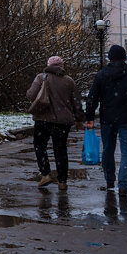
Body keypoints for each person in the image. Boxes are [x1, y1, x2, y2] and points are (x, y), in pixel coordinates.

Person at [85, 45, 127, 196]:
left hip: (107, 119)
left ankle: (110, 180)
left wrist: (89, 117)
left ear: (110, 58)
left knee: (108, 150)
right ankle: (123, 185)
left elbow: (92, 98)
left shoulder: (101, 75)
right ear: (124, 58)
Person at [25, 55, 84, 191]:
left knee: (40, 146)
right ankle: (62, 181)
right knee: (61, 150)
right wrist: (79, 119)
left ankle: (46, 174)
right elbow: (76, 102)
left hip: (42, 119)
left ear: (48, 65)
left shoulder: (41, 78)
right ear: (62, 66)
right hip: (63, 122)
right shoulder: (69, 81)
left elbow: (30, 95)